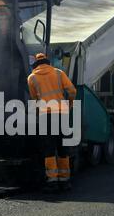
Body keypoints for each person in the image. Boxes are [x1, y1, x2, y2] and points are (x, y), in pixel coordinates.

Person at [27, 53, 77, 192]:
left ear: (35, 65)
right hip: (61, 114)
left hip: (45, 117)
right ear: (48, 62)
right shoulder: (59, 73)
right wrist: (70, 103)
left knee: (48, 149)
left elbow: (33, 100)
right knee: (62, 148)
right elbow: (72, 90)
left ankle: (52, 182)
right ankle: (65, 181)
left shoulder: (32, 78)